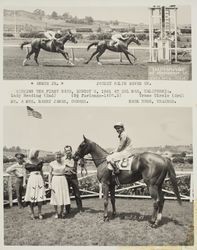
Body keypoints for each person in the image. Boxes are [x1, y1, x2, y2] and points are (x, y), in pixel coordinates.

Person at [24, 149, 46, 220]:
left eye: (38, 153)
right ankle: (32, 213)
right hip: (32, 179)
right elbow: (25, 173)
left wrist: (43, 180)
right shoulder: (28, 162)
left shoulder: (40, 161)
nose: (37, 154)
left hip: (39, 179)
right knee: (31, 196)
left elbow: (41, 172)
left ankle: (39, 213)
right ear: (32, 153)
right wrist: (24, 182)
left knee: (40, 196)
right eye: (36, 153)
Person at [49, 151, 70, 219]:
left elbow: (71, 165)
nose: (58, 158)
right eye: (57, 156)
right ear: (55, 157)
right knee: (55, 196)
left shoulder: (64, 163)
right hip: (55, 180)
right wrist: (49, 183)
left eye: (59, 156)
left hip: (63, 179)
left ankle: (61, 212)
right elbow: (50, 174)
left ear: (61, 157)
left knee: (62, 195)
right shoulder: (52, 164)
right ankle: (56, 212)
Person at [62, 145, 83, 213]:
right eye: (66, 151)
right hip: (66, 177)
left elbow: (81, 163)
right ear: (65, 152)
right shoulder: (63, 159)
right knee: (66, 193)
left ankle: (80, 208)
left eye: (69, 150)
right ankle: (68, 209)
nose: (68, 152)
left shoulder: (75, 158)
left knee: (77, 193)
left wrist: (81, 163)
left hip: (74, 177)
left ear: (71, 151)